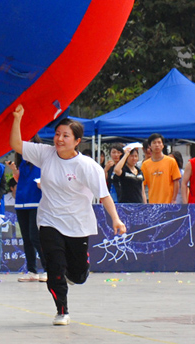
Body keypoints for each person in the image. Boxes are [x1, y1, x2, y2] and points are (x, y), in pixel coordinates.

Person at [10, 105, 126, 326]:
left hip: (77, 224)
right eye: (56, 134)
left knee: (78, 276)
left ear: (77, 140)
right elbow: (16, 144)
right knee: (54, 266)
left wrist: (116, 219)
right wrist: (17, 119)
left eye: (65, 136)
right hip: (49, 221)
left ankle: (79, 271)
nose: (59, 139)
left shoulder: (87, 166)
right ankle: (61, 310)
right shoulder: (45, 154)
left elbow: (104, 196)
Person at [7, 149, 45, 282]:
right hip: (21, 202)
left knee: (36, 237)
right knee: (27, 238)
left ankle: (47, 269)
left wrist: (43, 184)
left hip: (35, 202)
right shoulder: (22, 161)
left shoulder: (41, 160)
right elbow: (19, 179)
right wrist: (14, 170)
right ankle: (32, 271)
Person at [141, 133, 181, 204]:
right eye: (154, 143)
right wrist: (145, 202)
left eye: (159, 142)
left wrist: (174, 199)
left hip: (168, 202)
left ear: (163, 145)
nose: (157, 145)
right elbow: (142, 185)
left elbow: (176, 181)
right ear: (150, 146)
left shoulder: (171, 161)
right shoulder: (145, 164)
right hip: (152, 203)